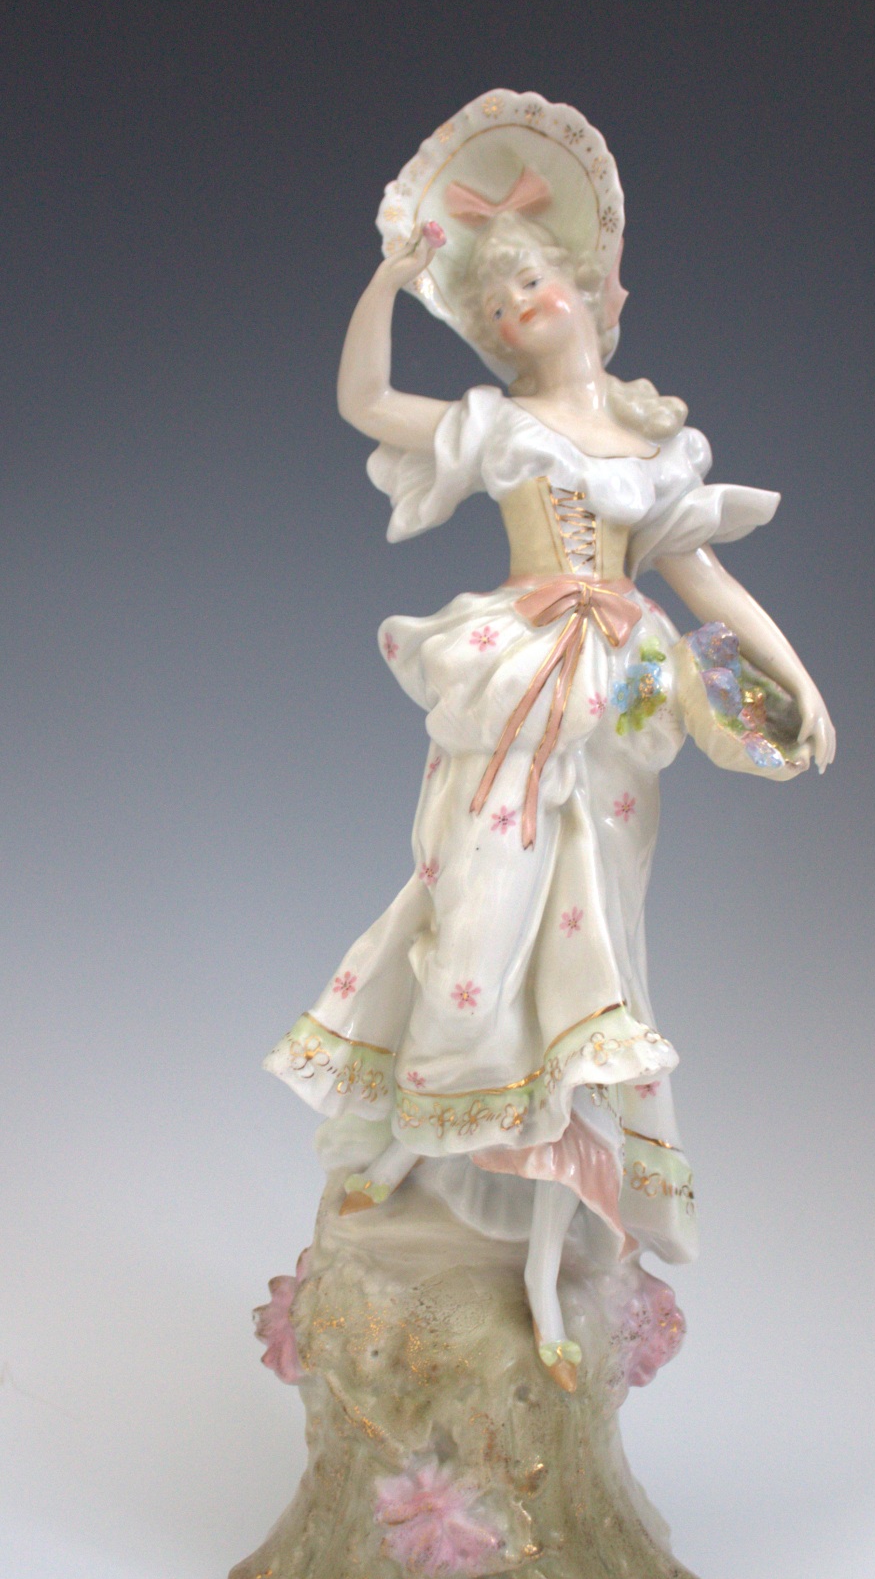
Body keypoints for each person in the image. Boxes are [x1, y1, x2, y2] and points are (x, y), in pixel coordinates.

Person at [264, 92, 835, 1392]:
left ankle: (543, 1217)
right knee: (475, 904)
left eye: (535, 278)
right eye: (497, 296)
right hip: (518, 679)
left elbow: (707, 585)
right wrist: (389, 279)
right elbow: (363, 398)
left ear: (589, 290)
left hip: (623, 703)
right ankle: (416, 1128)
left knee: (591, 941)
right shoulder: (502, 426)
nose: (520, 302)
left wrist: (796, 680)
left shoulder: (657, 444)